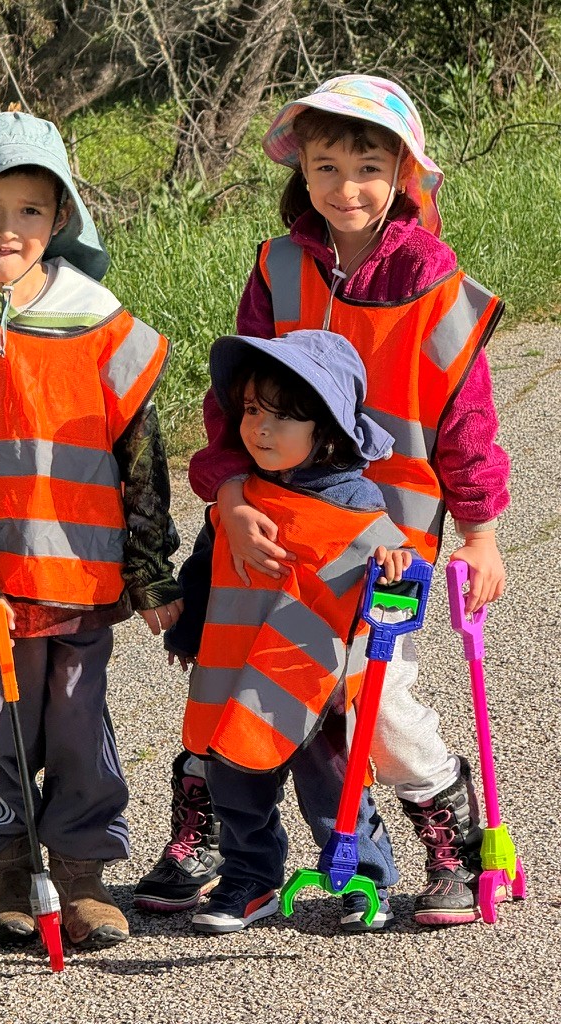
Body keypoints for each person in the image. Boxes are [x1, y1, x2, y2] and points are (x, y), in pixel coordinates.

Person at [135, 74, 510, 928]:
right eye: (327, 166)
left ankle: (449, 838)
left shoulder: (436, 287)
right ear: (300, 170)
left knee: (370, 697)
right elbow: (232, 405)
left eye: (369, 168)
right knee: (233, 672)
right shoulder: (279, 269)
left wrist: (481, 532)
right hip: (266, 523)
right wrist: (230, 493)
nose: (347, 188)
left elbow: (467, 422)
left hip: (385, 539)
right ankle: (217, 839)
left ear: (403, 176)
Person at [0, 112, 182, 951]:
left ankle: (85, 874)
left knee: (80, 730)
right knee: (4, 736)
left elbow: (142, 458)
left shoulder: (102, 323)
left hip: (85, 581)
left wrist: (150, 569)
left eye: (28, 209)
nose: (7, 227)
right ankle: (10, 870)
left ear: (60, 217)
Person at [174, 328, 413, 934]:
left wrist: (396, 563)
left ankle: (361, 873)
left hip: (311, 679)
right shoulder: (239, 501)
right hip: (235, 671)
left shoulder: (357, 504)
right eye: (253, 411)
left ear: (326, 430)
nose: (260, 429)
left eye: (282, 417)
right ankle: (250, 877)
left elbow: (398, 576)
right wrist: (186, 632)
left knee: (334, 784)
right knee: (235, 782)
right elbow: (204, 566)